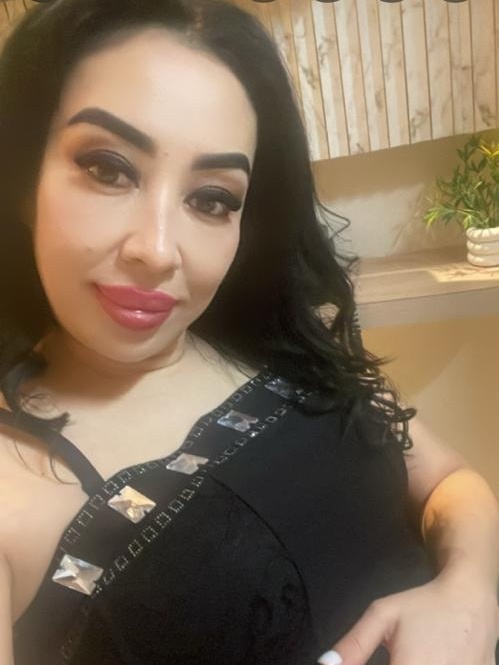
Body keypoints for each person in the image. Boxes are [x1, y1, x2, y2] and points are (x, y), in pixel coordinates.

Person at [0, 0, 497, 663]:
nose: (157, 250)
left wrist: (467, 589)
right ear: (22, 180)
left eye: (211, 199)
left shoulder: (277, 345)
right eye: (107, 167)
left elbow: (449, 482)